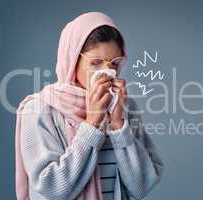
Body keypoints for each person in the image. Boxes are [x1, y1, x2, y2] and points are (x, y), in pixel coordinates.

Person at [15, 12, 163, 200]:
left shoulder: (125, 106)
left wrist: (119, 127)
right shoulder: (40, 110)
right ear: (72, 61)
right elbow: (52, 189)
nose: (107, 72)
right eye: (95, 63)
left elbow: (141, 187)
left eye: (115, 63)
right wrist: (92, 123)